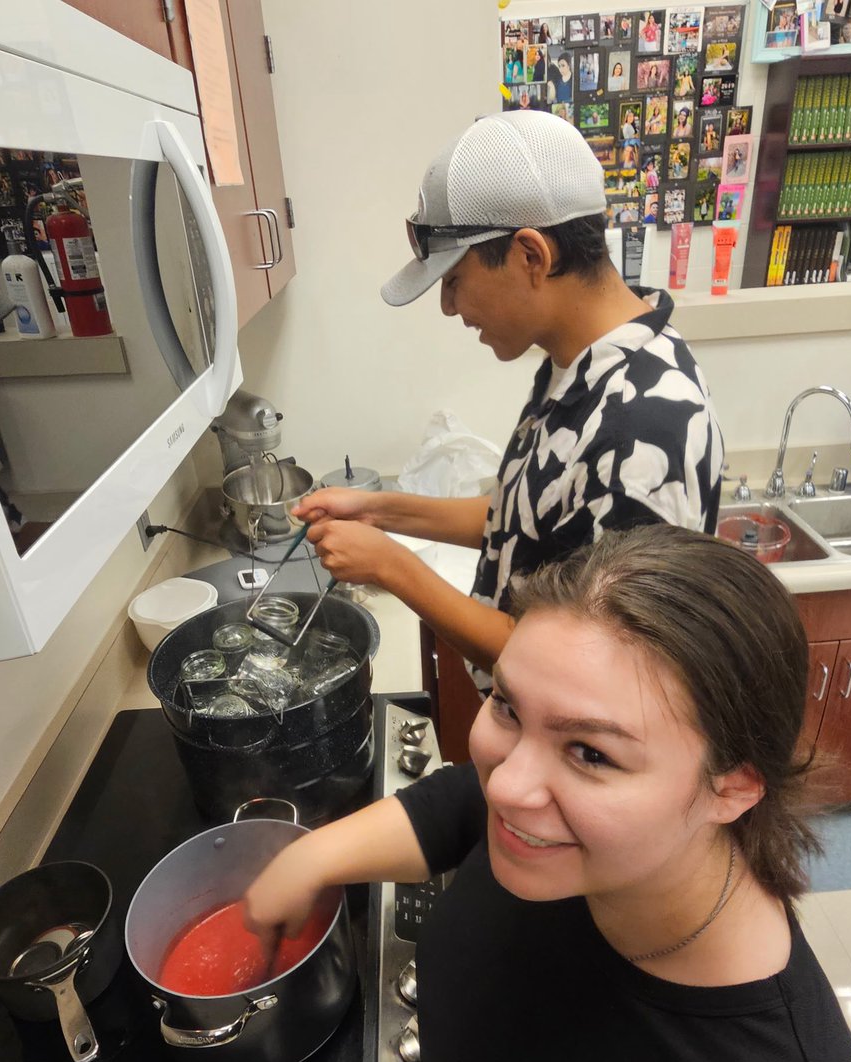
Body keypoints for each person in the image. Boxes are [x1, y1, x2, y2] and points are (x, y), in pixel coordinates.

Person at [243, 524, 851, 1062]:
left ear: (733, 788)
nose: (509, 788)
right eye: (508, 707)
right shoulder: (566, 840)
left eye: (591, 753)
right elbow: (463, 801)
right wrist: (310, 859)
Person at [295, 111, 723, 692]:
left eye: (453, 279)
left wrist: (390, 566)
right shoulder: (579, 362)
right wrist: (378, 512)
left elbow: (582, 676)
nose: (449, 307)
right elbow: (522, 517)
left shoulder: (640, 432)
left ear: (531, 256)